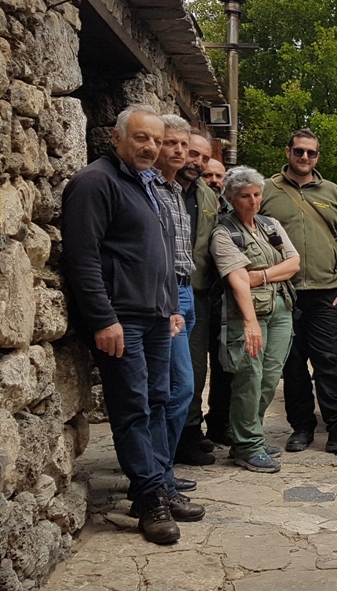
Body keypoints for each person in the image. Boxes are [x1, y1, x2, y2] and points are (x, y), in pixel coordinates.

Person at [61, 104, 203, 545]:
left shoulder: (145, 184)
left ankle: (159, 483)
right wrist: (103, 318)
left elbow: (155, 255)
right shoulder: (95, 182)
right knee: (134, 406)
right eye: (142, 138)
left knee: (159, 400)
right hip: (122, 319)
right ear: (117, 138)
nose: (151, 147)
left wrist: (169, 305)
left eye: (156, 141)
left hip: (156, 315)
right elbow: (81, 257)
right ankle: (148, 499)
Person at [261, 129, 337, 454]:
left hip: (326, 292)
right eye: (299, 151)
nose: (305, 157)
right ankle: (302, 428)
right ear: (288, 152)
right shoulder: (267, 190)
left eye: (311, 152)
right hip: (283, 292)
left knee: (328, 360)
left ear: (317, 156)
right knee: (292, 364)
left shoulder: (333, 192)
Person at [210, 166, 301, 472]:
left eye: (257, 194)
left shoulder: (270, 225)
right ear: (232, 199)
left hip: (281, 310)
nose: (252, 201)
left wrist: (259, 276)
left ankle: (251, 436)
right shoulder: (224, 232)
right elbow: (237, 280)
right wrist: (249, 322)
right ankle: (246, 445)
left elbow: (294, 263)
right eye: (245, 196)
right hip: (247, 315)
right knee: (250, 378)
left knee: (270, 376)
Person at [151, 116, 200, 495]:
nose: (179, 151)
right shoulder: (147, 190)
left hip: (186, 290)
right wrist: (169, 304)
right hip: (165, 296)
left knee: (178, 385)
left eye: (184, 144)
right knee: (176, 386)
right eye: (171, 143)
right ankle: (157, 475)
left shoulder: (174, 190)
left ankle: (162, 470)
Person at [176, 132, 231, 465]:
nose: (195, 161)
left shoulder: (207, 198)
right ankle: (185, 432)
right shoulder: (163, 191)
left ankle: (201, 427)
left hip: (206, 293)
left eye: (201, 156)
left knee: (206, 365)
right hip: (175, 291)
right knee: (188, 369)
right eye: (191, 154)